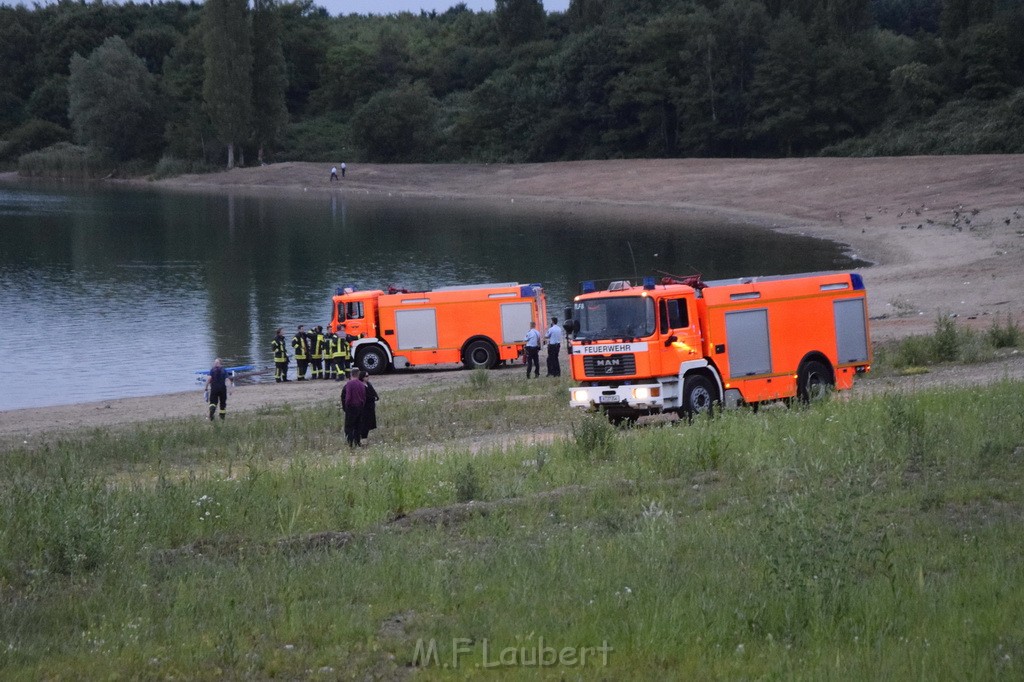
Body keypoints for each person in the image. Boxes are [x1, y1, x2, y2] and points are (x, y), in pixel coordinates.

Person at [341, 371, 367, 447]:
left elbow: (348, 396)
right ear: (358, 375)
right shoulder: (361, 384)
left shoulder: (349, 384)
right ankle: (357, 442)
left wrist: (346, 405)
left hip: (351, 407)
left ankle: (350, 443)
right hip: (360, 406)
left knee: (349, 426)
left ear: (351, 375)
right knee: (358, 426)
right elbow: (364, 396)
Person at [360, 371, 379, 441]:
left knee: (369, 422)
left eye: (368, 375)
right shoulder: (361, 385)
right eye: (366, 376)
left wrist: (376, 396)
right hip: (365, 407)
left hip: (371, 406)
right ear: (362, 377)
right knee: (364, 422)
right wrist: (372, 398)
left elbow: (373, 391)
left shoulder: (368, 384)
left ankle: (365, 436)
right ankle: (363, 436)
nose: (368, 377)